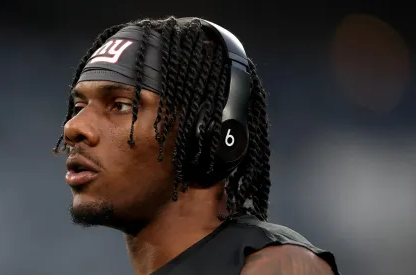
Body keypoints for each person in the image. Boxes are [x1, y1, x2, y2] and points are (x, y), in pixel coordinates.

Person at [53, 16, 340, 275]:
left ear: (205, 132)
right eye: (78, 106)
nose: (73, 127)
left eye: (121, 105)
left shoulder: (276, 267)